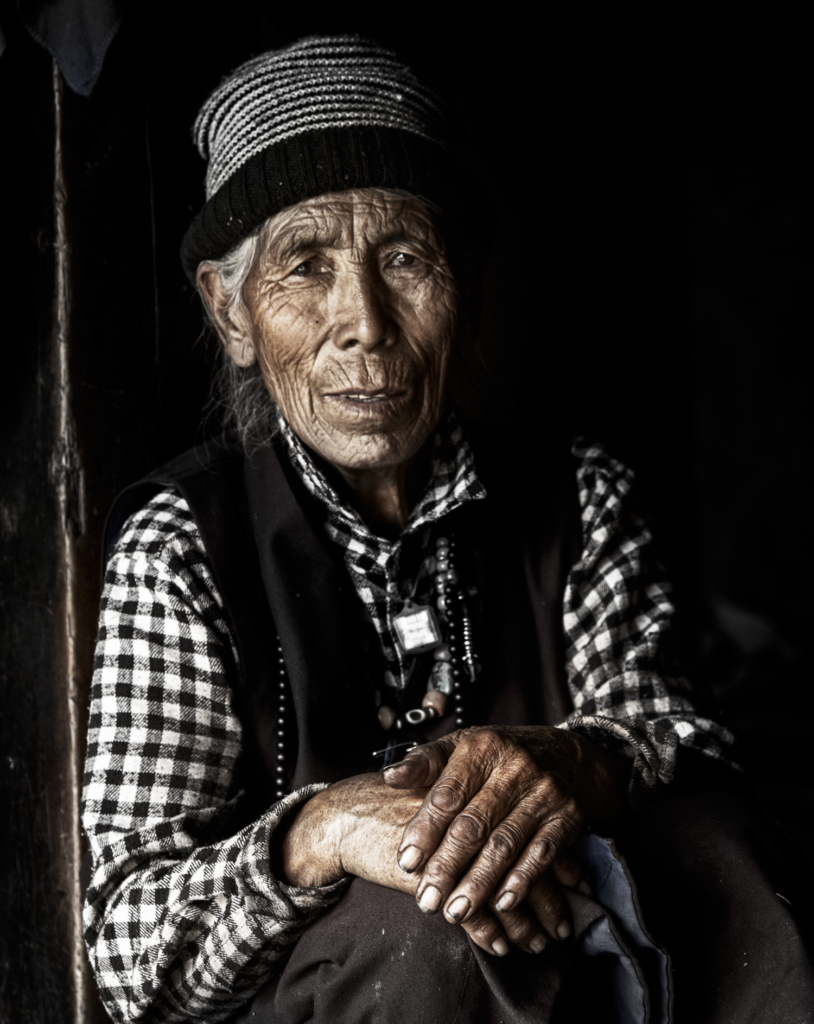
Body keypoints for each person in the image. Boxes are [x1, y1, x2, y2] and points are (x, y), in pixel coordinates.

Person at [81, 35, 811, 1024]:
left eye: (403, 258)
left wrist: (577, 763)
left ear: (462, 295)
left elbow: (678, 738)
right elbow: (125, 957)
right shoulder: (182, 543)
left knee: (716, 855)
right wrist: (323, 830)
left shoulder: (579, 496)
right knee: (420, 924)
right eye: (306, 266)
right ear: (232, 311)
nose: (366, 323)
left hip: (583, 978)